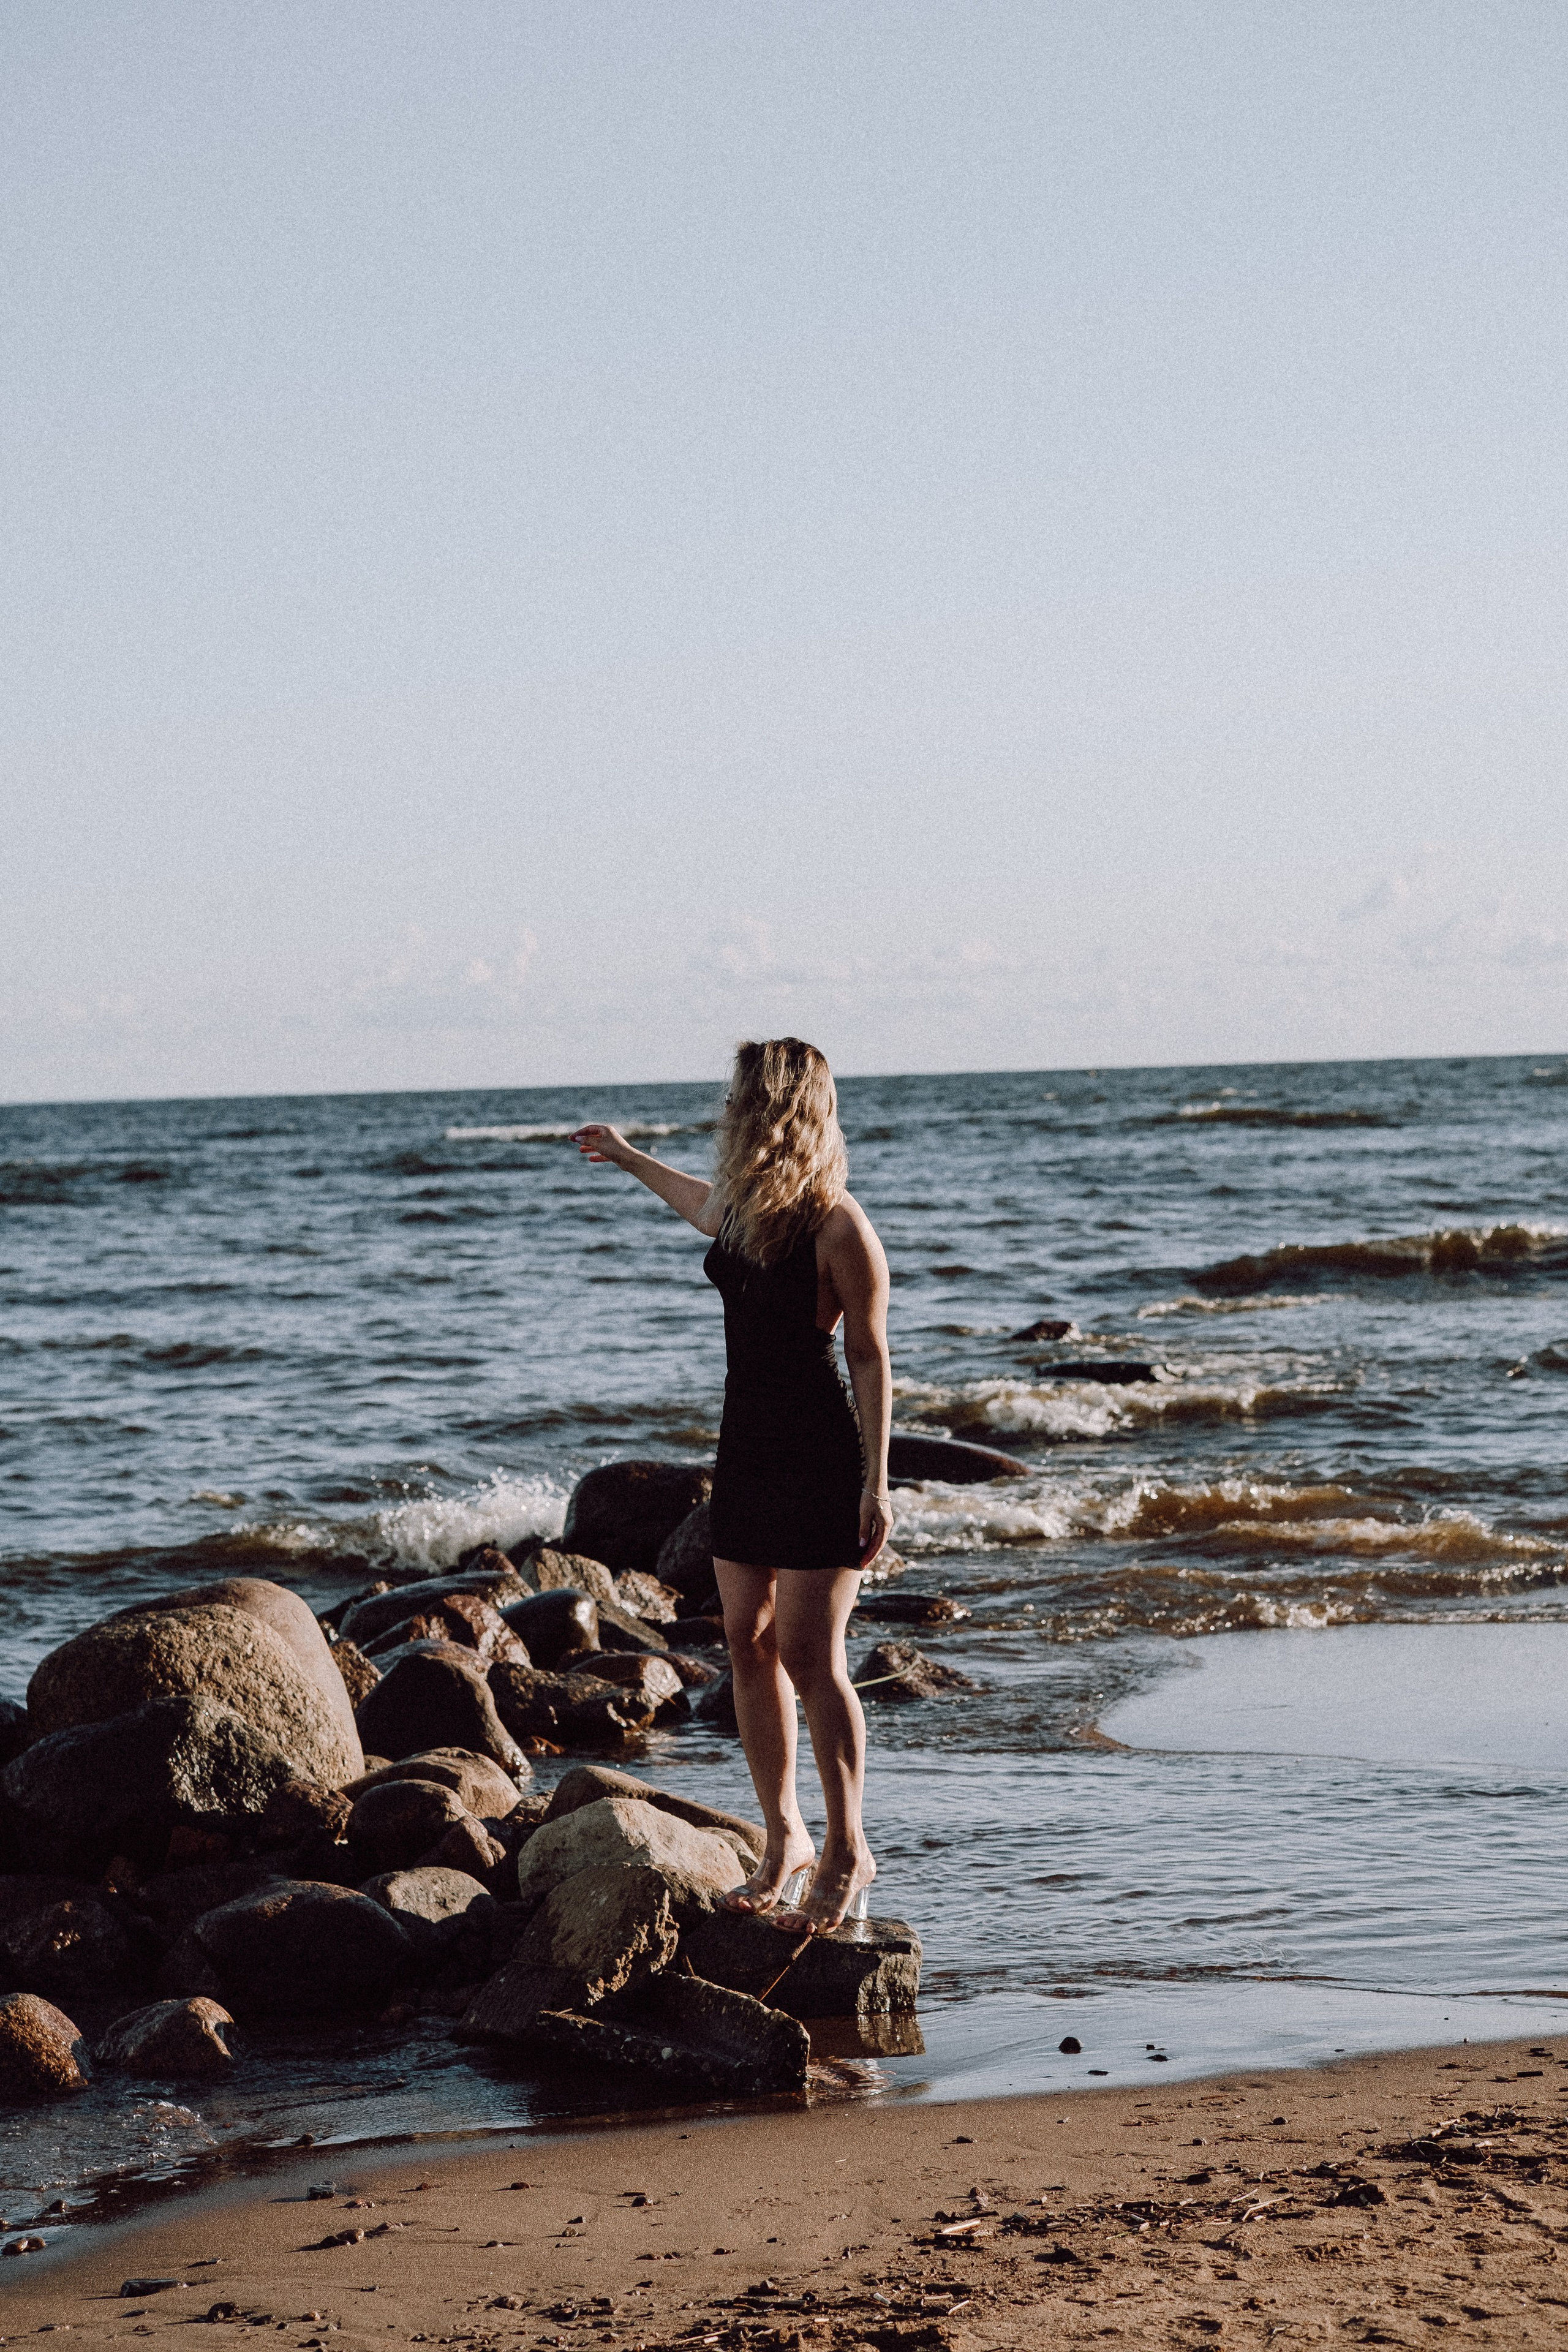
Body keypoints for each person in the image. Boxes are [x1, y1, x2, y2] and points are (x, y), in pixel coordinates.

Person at [571, 1037, 892, 1936]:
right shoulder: (750, 1211)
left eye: (742, 1096)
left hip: (821, 1458)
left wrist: (878, 1482)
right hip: (745, 1453)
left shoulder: (839, 1225)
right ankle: (785, 1836)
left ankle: (848, 1847)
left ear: (775, 1106)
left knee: (811, 1660)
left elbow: (869, 1357)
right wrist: (630, 1156)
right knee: (744, 1647)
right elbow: (697, 1206)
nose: (729, 1108)